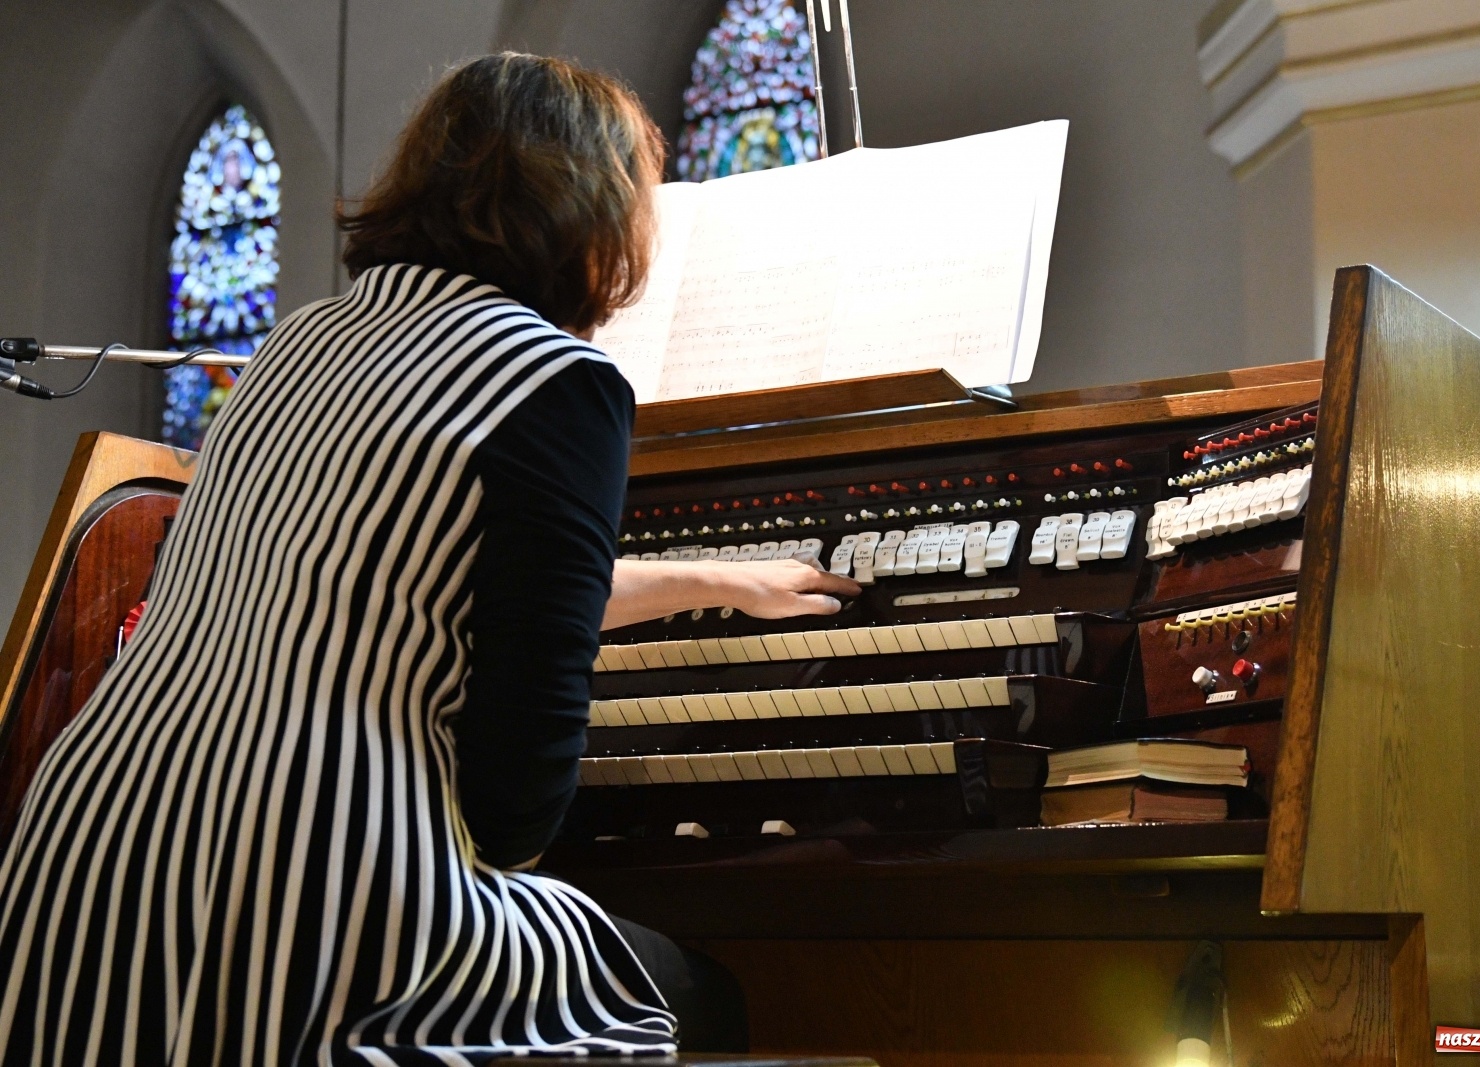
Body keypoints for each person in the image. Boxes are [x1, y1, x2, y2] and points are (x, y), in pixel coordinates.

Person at [0, 53, 857, 1065]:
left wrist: (708, 579)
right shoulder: (558, 382)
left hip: (83, 875)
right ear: (594, 215)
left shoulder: (296, 342)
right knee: (696, 996)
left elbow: (390, 576)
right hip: (306, 912)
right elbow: (510, 806)